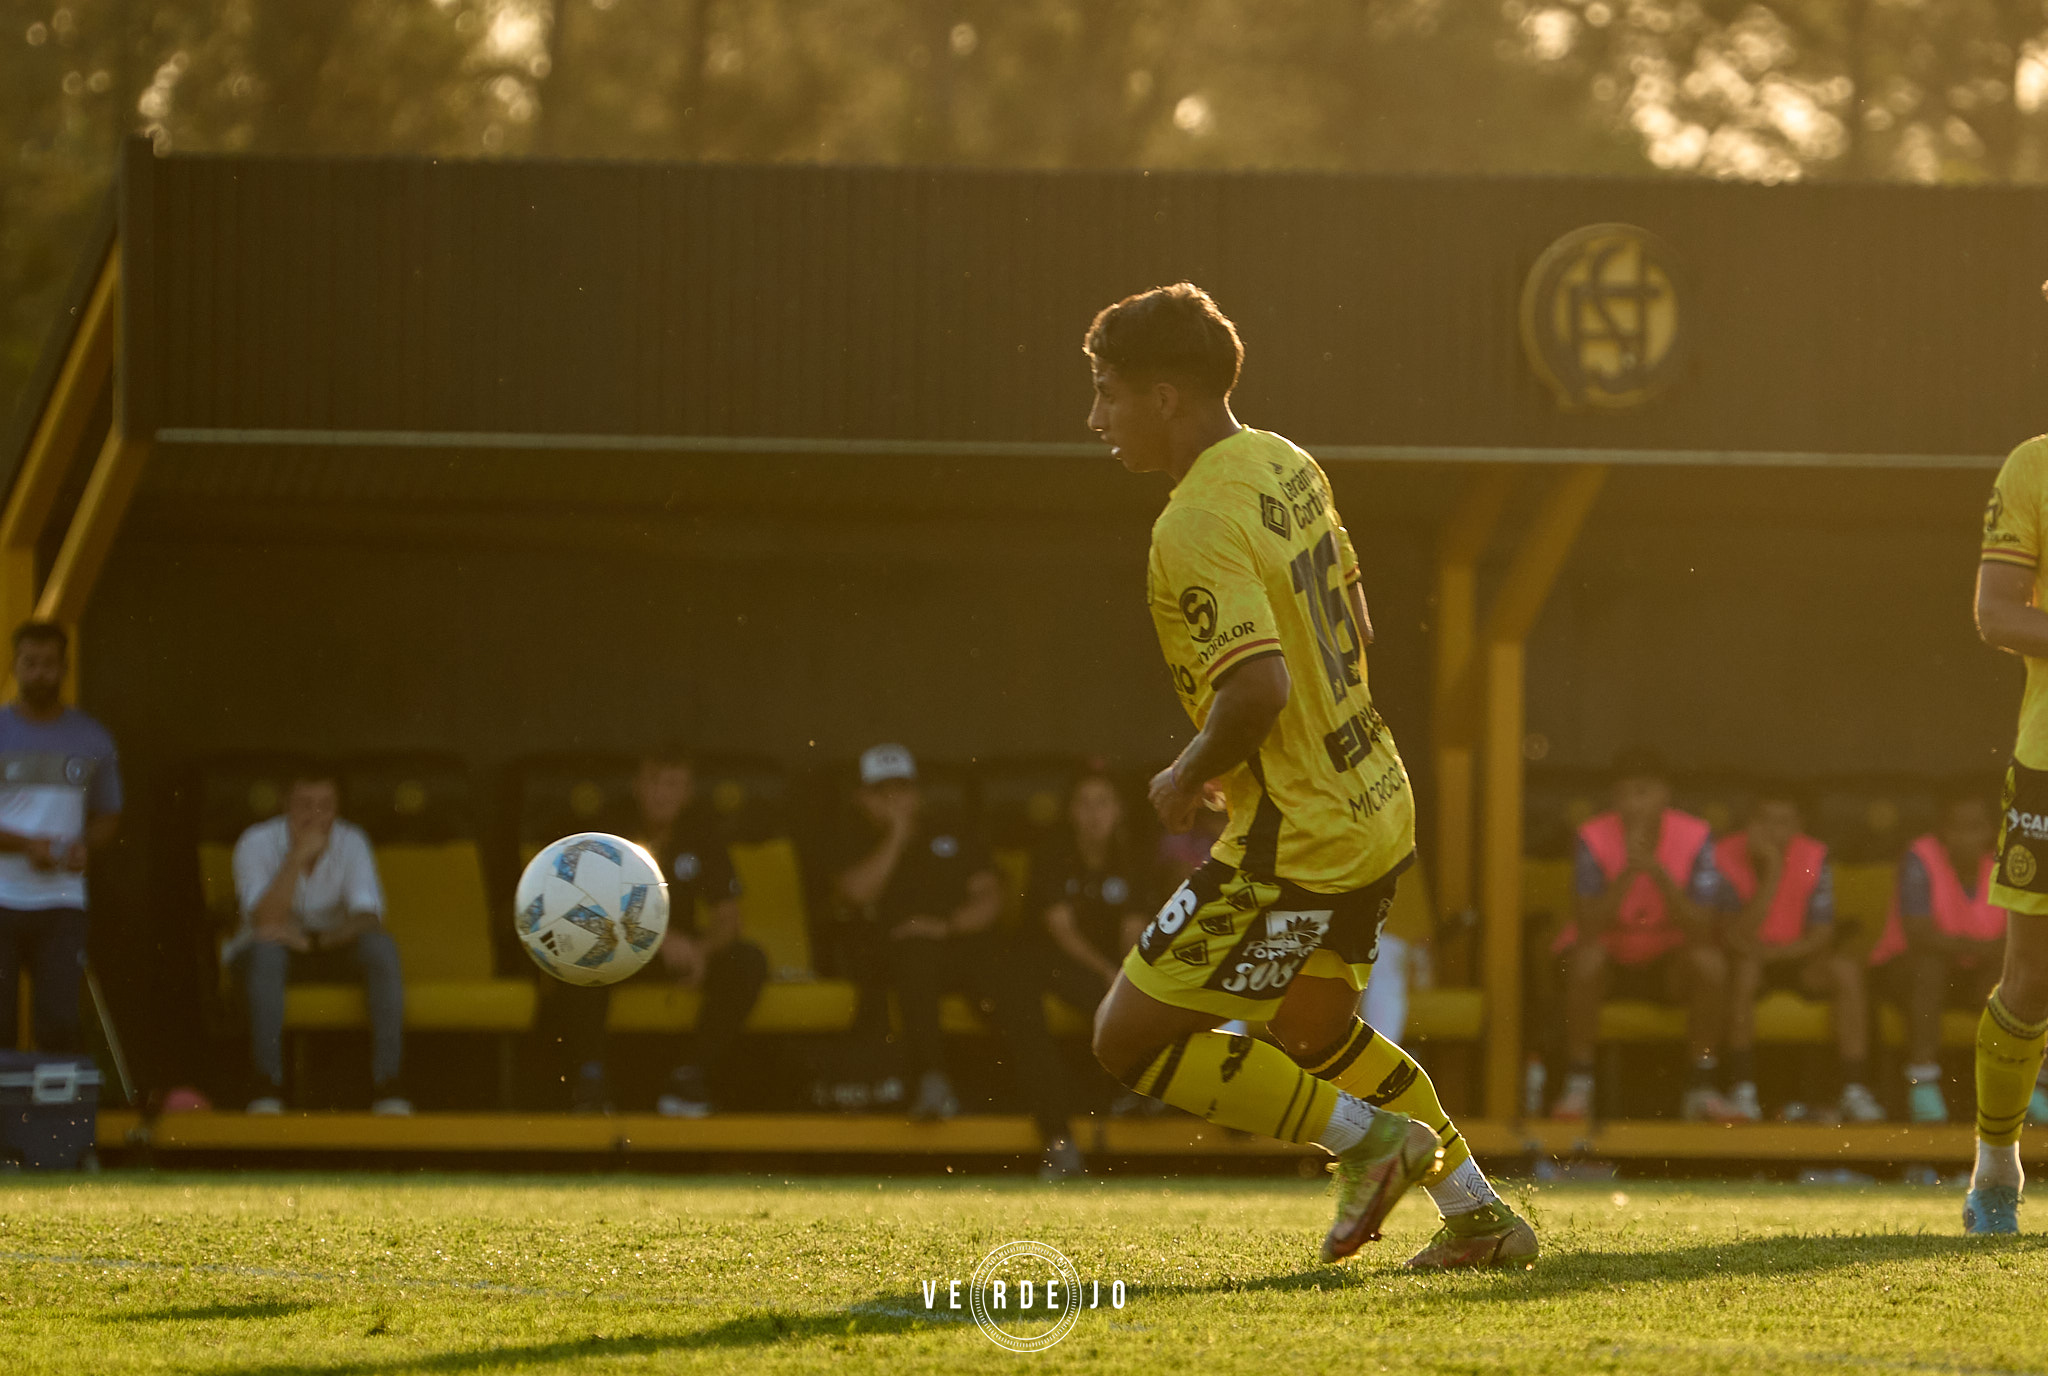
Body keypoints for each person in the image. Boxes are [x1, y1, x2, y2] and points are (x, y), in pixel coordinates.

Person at [1081, 282, 1534, 1269]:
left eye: (1106, 392)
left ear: (1164, 396)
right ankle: (1478, 1214)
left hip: (1300, 834)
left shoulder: (1189, 520)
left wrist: (1189, 768)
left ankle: (1368, 1141)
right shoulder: (1284, 460)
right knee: (1315, 1025)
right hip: (1372, 797)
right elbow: (1356, 628)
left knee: (1129, 1037)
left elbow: (1255, 688)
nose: (1094, 418)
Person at [833, 743, 1080, 1179]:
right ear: (862, 798)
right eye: (882, 792)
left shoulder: (952, 830)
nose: (895, 800)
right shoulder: (849, 837)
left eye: (902, 790)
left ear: (918, 793)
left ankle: (1058, 1138)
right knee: (914, 955)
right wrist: (895, 835)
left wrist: (944, 926)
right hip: (891, 959)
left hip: (962, 944)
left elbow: (990, 897)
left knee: (1019, 991)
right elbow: (854, 894)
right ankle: (932, 1081)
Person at [547, 748, 767, 1115]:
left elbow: (728, 917)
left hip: (680, 955)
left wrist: (702, 950)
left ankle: (689, 1077)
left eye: (673, 784)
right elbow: (579, 906)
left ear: (688, 793)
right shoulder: (609, 828)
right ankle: (590, 1082)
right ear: (637, 786)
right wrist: (656, 939)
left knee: (748, 960)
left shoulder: (702, 833)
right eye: (654, 782)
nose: (662, 793)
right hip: (618, 949)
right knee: (576, 954)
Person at [1549, 748, 1728, 1123]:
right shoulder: (1592, 836)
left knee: (1710, 964)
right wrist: (1630, 872)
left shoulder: (1696, 835)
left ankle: (1702, 1085)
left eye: (1644, 792)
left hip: (1668, 960)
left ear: (1665, 795)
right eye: (1625, 793)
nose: (1634, 803)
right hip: (1611, 957)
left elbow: (1700, 926)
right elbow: (1589, 927)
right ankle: (1579, 1086)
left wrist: (1658, 872)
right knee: (1585, 959)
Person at [229, 766, 407, 1114]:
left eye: (325, 805)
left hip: (327, 948)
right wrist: (297, 856)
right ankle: (267, 1088)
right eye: (305, 804)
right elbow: (266, 920)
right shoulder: (256, 841)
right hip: (265, 954)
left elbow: (368, 917)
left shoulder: (351, 840)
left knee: (380, 948)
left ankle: (389, 1087)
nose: (315, 815)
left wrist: (316, 940)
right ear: (286, 806)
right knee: (268, 952)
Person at [1715, 788, 1882, 1124]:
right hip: (1747, 960)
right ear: (1751, 823)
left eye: (1784, 821)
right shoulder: (1724, 855)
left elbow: (1821, 934)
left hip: (1798, 956)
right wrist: (1773, 872)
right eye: (1765, 820)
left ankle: (1854, 1089)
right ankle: (1742, 1089)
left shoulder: (1813, 856)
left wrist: (1781, 953)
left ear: (1799, 825)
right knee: (1744, 971)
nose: (1774, 830)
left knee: (1845, 971)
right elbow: (1735, 936)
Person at [0, 622, 120, 1058]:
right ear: (15, 666)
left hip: (64, 902)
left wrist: (87, 845)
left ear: (64, 668)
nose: (40, 673)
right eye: (30, 663)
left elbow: (109, 813)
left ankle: (53, 1126)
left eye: (49, 664)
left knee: (59, 1022)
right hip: (2, 896)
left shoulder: (92, 738)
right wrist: (25, 846)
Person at [1866, 792, 2005, 1127]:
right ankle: (1923, 1081)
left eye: (1975, 827)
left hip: (1972, 973)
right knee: (1931, 967)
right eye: (1956, 828)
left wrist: (1983, 951)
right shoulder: (1920, 857)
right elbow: (1919, 935)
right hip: (1907, 971)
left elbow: (2014, 940)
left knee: (2017, 973)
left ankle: (2018, 1090)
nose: (1966, 836)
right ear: (1943, 831)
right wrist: (1981, 948)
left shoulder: (2005, 864)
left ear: (1989, 831)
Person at [1027, 767, 1153, 1018]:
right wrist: (1107, 971)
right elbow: (1062, 931)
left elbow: (1133, 927)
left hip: (1114, 961)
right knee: (1100, 996)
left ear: (1118, 810)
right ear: (1071, 811)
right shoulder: (1051, 856)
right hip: (1065, 959)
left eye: (1102, 803)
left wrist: (1126, 976)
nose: (1093, 813)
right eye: (1083, 803)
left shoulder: (1132, 860)